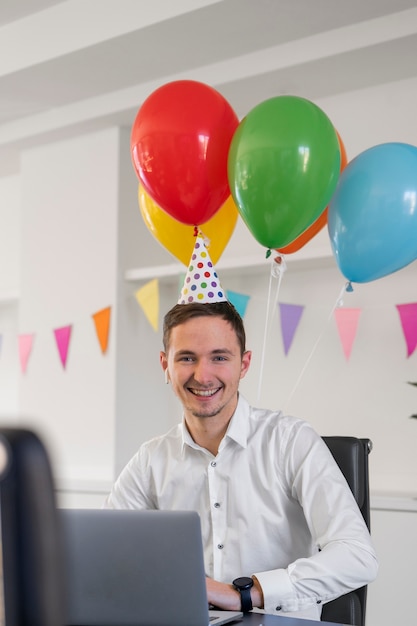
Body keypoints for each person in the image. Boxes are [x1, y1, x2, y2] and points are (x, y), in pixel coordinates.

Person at [104, 235, 378, 620]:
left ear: (243, 364)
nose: (203, 374)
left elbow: (358, 555)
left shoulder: (291, 441)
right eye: (187, 358)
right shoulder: (151, 460)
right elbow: (107, 552)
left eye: (219, 357)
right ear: (165, 365)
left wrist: (246, 593)